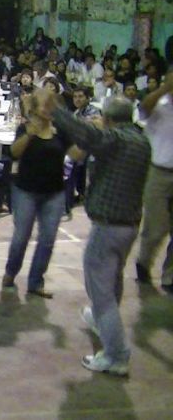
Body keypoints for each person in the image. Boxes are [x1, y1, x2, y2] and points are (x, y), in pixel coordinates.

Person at [40, 92, 151, 377]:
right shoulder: (141, 140)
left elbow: (87, 136)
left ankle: (116, 355)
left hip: (108, 226)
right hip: (129, 225)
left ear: (108, 118)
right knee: (112, 281)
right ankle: (104, 324)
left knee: (100, 294)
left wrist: (57, 111)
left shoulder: (115, 139)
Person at [1, 94, 85, 298]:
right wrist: (30, 134)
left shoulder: (61, 131)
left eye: (51, 106)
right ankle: (10, 272)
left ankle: (36, 281)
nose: (47, 109)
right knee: (21, 237)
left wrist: (86, 138)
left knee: (47, 239)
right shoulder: (25, 128)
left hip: (54, 192)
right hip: (26, 190)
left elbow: (76, 155)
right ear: (35, 109)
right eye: (43, 106)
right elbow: (14, 153)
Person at [134, 71, 173, 294]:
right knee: (156, 227)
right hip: (158, 171)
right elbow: (144, 109)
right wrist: (165, 88)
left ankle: (170, 277)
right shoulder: (159, 103)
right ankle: (143, 262)